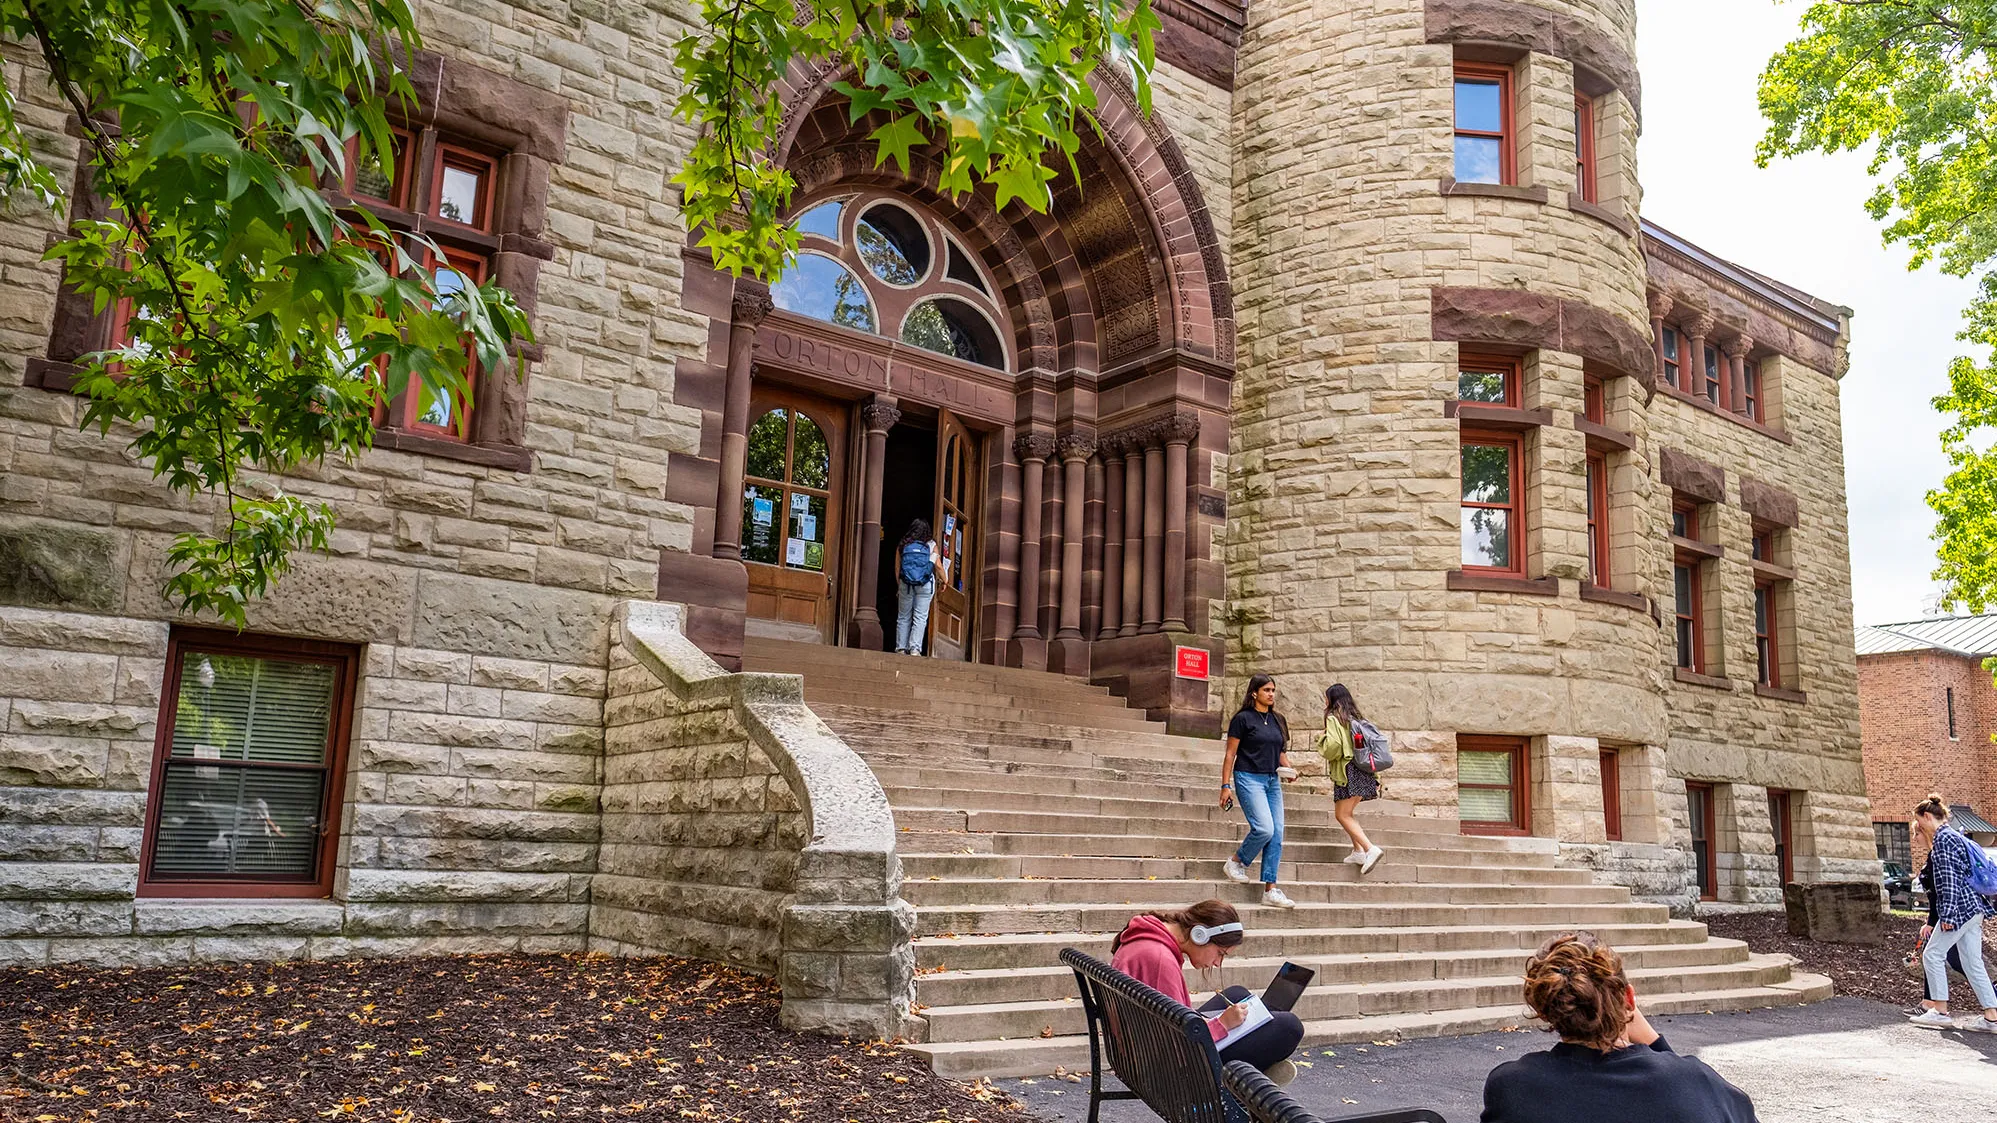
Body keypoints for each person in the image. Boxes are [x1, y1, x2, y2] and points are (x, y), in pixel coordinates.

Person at [1481, 932, 1758, 1123]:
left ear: (1543, 1011)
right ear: (1628, 999)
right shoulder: (1694, 1082)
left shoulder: (1511, 1087)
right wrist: (1655, 1042)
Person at [1110, 900, 1303, 1085]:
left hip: (1143, 1048)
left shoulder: (1148, 939)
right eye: (1220, 953)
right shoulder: (1160, 960)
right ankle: (1246, 1086)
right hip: (1168, 1069)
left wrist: (1209, 1023)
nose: (1217, 963)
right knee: (1289, 1026)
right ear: (1199, 935)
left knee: (1237, 994)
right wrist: (1221, 1024)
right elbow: (1178, 1044)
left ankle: (1252, 1074)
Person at [1908, 794, 1997, 1031]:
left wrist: (1947, 916)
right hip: (1974, 908)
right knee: (1972, 962)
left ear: (1927, 817)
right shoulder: (1956, 835)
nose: (1920, 827)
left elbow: (1948, 881)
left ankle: (1939, 1010)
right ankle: (1992, 1016)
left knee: (1932, 954)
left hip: (1959, 910)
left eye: (1919, 821)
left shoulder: (1943, 840)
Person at [1221, 674, 1297, 908]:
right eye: (1266, 690)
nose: (1271, 694)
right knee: (1264, 828)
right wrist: (1226, 786)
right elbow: (1230, 754)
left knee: (1277, 834)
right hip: (1247, 777)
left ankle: (1270, 890)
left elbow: (1279, 752)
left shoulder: (1278, 720)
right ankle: (1236, 861)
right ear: (1254, 692)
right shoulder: (1242, 719)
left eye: (1273, 690)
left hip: (1272, 780)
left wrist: (1290, 769)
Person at [1321, 683, 1385, 874]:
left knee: (1342, 815)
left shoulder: (1334, 719)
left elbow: (1332, 748)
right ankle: (1357, 851)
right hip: (1364, 771)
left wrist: (1321, 740)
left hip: (1348, 772)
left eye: (1326, 697)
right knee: (1347, 813)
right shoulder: (1358, 719)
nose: (1324, 701)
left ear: (1332, 699)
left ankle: (1369, 848)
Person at [893, 519, 939, 656]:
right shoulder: (931, 545)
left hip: (905, 584)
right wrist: (946, 581)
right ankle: (915, 649)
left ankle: (901, 648)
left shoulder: (903, 545)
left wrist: (900, 585)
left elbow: (897, 567)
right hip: (925, 584)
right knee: (920, 617)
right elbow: (939, 566)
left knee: (903, 616)